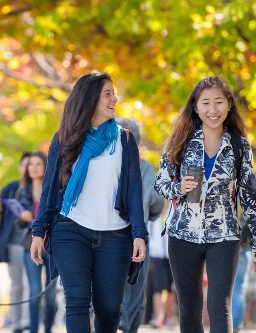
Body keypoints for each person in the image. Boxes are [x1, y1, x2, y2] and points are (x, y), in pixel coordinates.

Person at [29, 71, 148, 333]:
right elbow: (50, 188)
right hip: (70, 230)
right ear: (90, 98)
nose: (114, 99)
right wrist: (38, 231)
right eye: (108, 94)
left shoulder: (125, 139)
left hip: (115, 235)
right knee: (77, 302)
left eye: (114, 93)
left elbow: (133, 191)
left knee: (109, 308)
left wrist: (139, 234)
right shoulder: (64, 138)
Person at [154, 76, 256, 333]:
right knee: (189, 308)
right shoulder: (180, 141)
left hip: (224, 236)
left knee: (219, 306)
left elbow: (250, 197)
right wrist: (178, 188)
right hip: (182, 235)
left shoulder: (239, 145)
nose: (212, 110)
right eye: (205, 103)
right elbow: (160, 183)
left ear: (229, 105)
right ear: (195, 107)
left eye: (219, 102)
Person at [116, 117, 166, 333]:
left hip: (107, 235)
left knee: (109, 286)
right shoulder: (143, 167)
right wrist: (149, 215)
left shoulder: (105, 165)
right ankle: (128, 326)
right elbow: (156, 203)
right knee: (135, 288)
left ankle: (114, 323)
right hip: (138, 237)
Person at [16, 152, 58, 333]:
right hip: (30, 245)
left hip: (52, 245)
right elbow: (18, 224)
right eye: (30, 164)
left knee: (50, 293)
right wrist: (22, 217)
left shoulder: (54, 188)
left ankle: (48, 328)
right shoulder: (22, 191)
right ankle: (33, 330)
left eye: (38, 164)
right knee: (34, 290)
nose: (33, 168)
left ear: (45, 166)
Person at [0, 152, 32, 332]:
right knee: (16, 284)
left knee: (30, 284)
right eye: (25, 164)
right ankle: (16, 323)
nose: (28, 168)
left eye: (31, 164)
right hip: (13, 243)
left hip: (33, 243)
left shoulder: (39, 188)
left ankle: (27, 322)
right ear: (20, 167)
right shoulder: (10, 189)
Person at [147, 208, 177, 328]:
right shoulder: (154, 212)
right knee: (158, 286)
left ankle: (168, 318)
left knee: (171, 287)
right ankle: (158, 317)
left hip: (172, 255)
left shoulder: (174, 209)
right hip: (157, 255)